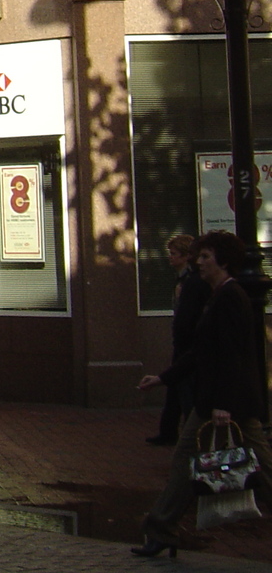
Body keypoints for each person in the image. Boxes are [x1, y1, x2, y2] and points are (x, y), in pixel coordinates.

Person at [134, 231, 272, 556]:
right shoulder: (216, 297)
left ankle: (162, 527)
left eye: (207, 257)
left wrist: (224, 405)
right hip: (212, 400)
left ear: (223, 262)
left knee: (261, 464)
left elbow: (233, 356)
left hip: (227, 402)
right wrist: (164, 378)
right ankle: (162, 527)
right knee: (185, 457)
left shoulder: (231, 298)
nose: (200, 262)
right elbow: (199, 352)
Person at [147, 233, 209, 446]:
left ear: (185, 256)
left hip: (187, 345)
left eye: (174, 254)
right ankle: (168, 431)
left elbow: (187, 317)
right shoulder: (184, 279)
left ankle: (188, 433)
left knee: (184, 389)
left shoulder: (192, 281)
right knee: (176, 387)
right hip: (184, 344)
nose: (170, 258)